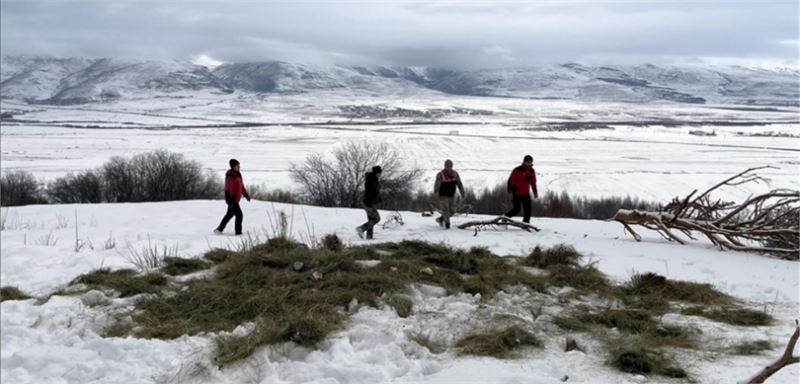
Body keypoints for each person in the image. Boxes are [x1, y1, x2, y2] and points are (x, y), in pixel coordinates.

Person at [214, 159, 250, 235]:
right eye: (237, 165)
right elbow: (228, 189)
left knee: (229, 215)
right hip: (232, 200)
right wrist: (231, 201)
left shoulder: (238, 174)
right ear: (233, 166)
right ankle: (238, 232)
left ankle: (219, 229)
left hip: (236, 200)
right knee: (239, 215)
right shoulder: (230, 176)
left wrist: (245, 194)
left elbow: (241, 186)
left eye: (239, 165)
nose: (239, 167)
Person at [504, 155, 538, 223]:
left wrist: (535, 192)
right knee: (517, 209)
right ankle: (505, 218)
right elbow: (510, 180)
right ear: (524, 162)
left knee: (528, 209)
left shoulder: (532, 171)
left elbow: (533, 182)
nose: (529, 163)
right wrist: (510, 191)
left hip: (526, 193)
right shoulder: (517, 169)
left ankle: (525, 223)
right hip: (516, 193)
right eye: (528, 162)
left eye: (530, 162)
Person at [433, 159, 465, 229]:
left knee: (453, 211)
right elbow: (436, 185)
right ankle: (447, 225)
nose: (449, 167)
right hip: (443, 195)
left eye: (450, 166)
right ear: (445, 166)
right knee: (446, 209)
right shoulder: (440, 175)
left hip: (452, 195)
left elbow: (459, 184)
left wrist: (462, 193)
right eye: (447, 166)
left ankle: (441, 219)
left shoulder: (455, 174)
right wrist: (436, 194)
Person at [356, 166, 382, 240]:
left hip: (369, 202)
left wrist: (378, 199)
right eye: (380, 172)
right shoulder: (370, 180)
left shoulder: (374, 179)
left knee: (371, 219)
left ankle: (369, 237)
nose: (380, 174)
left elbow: (375, 192)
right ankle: (361, 228)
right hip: (367, 203)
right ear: (376, 172)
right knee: (376, 218)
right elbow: (369, 193)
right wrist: (369, 206)